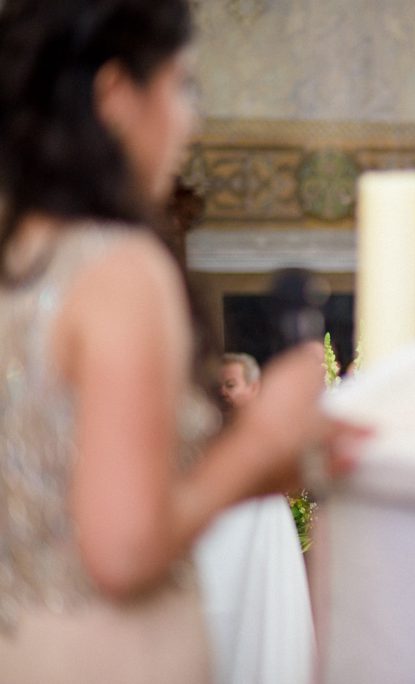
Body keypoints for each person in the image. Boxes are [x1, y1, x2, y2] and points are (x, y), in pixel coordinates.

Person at [0, 1, 362, 681]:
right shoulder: (120, 269)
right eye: (182, 86)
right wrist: (266, 431)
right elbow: (124, 550)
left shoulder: (20, 258)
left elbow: (64, 492)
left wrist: (259, 468)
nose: (191, 121)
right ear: (115, 96)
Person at [196, 353, 316, 684]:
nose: (223, 392)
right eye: (219, 386)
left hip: (261, 525)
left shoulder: (267, 440)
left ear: (254, 388)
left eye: (231, 385)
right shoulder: (202, 433)